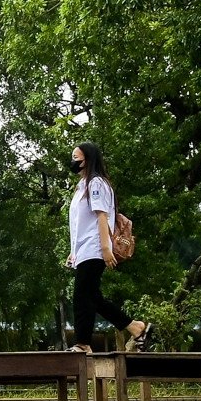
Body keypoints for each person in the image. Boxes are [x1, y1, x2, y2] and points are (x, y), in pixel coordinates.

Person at [65, 142, 151, 352]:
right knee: (92, 296)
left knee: (81, 296)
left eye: (77, 158)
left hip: (95, 247)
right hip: (83, 249)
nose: (73, 161)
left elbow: (102, 217)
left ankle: (83, 343)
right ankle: (136, 327)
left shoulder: (97, 184)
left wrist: (105, 248)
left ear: (88, 160)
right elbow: (80, 224)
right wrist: (73, 251)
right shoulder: (81, 186)